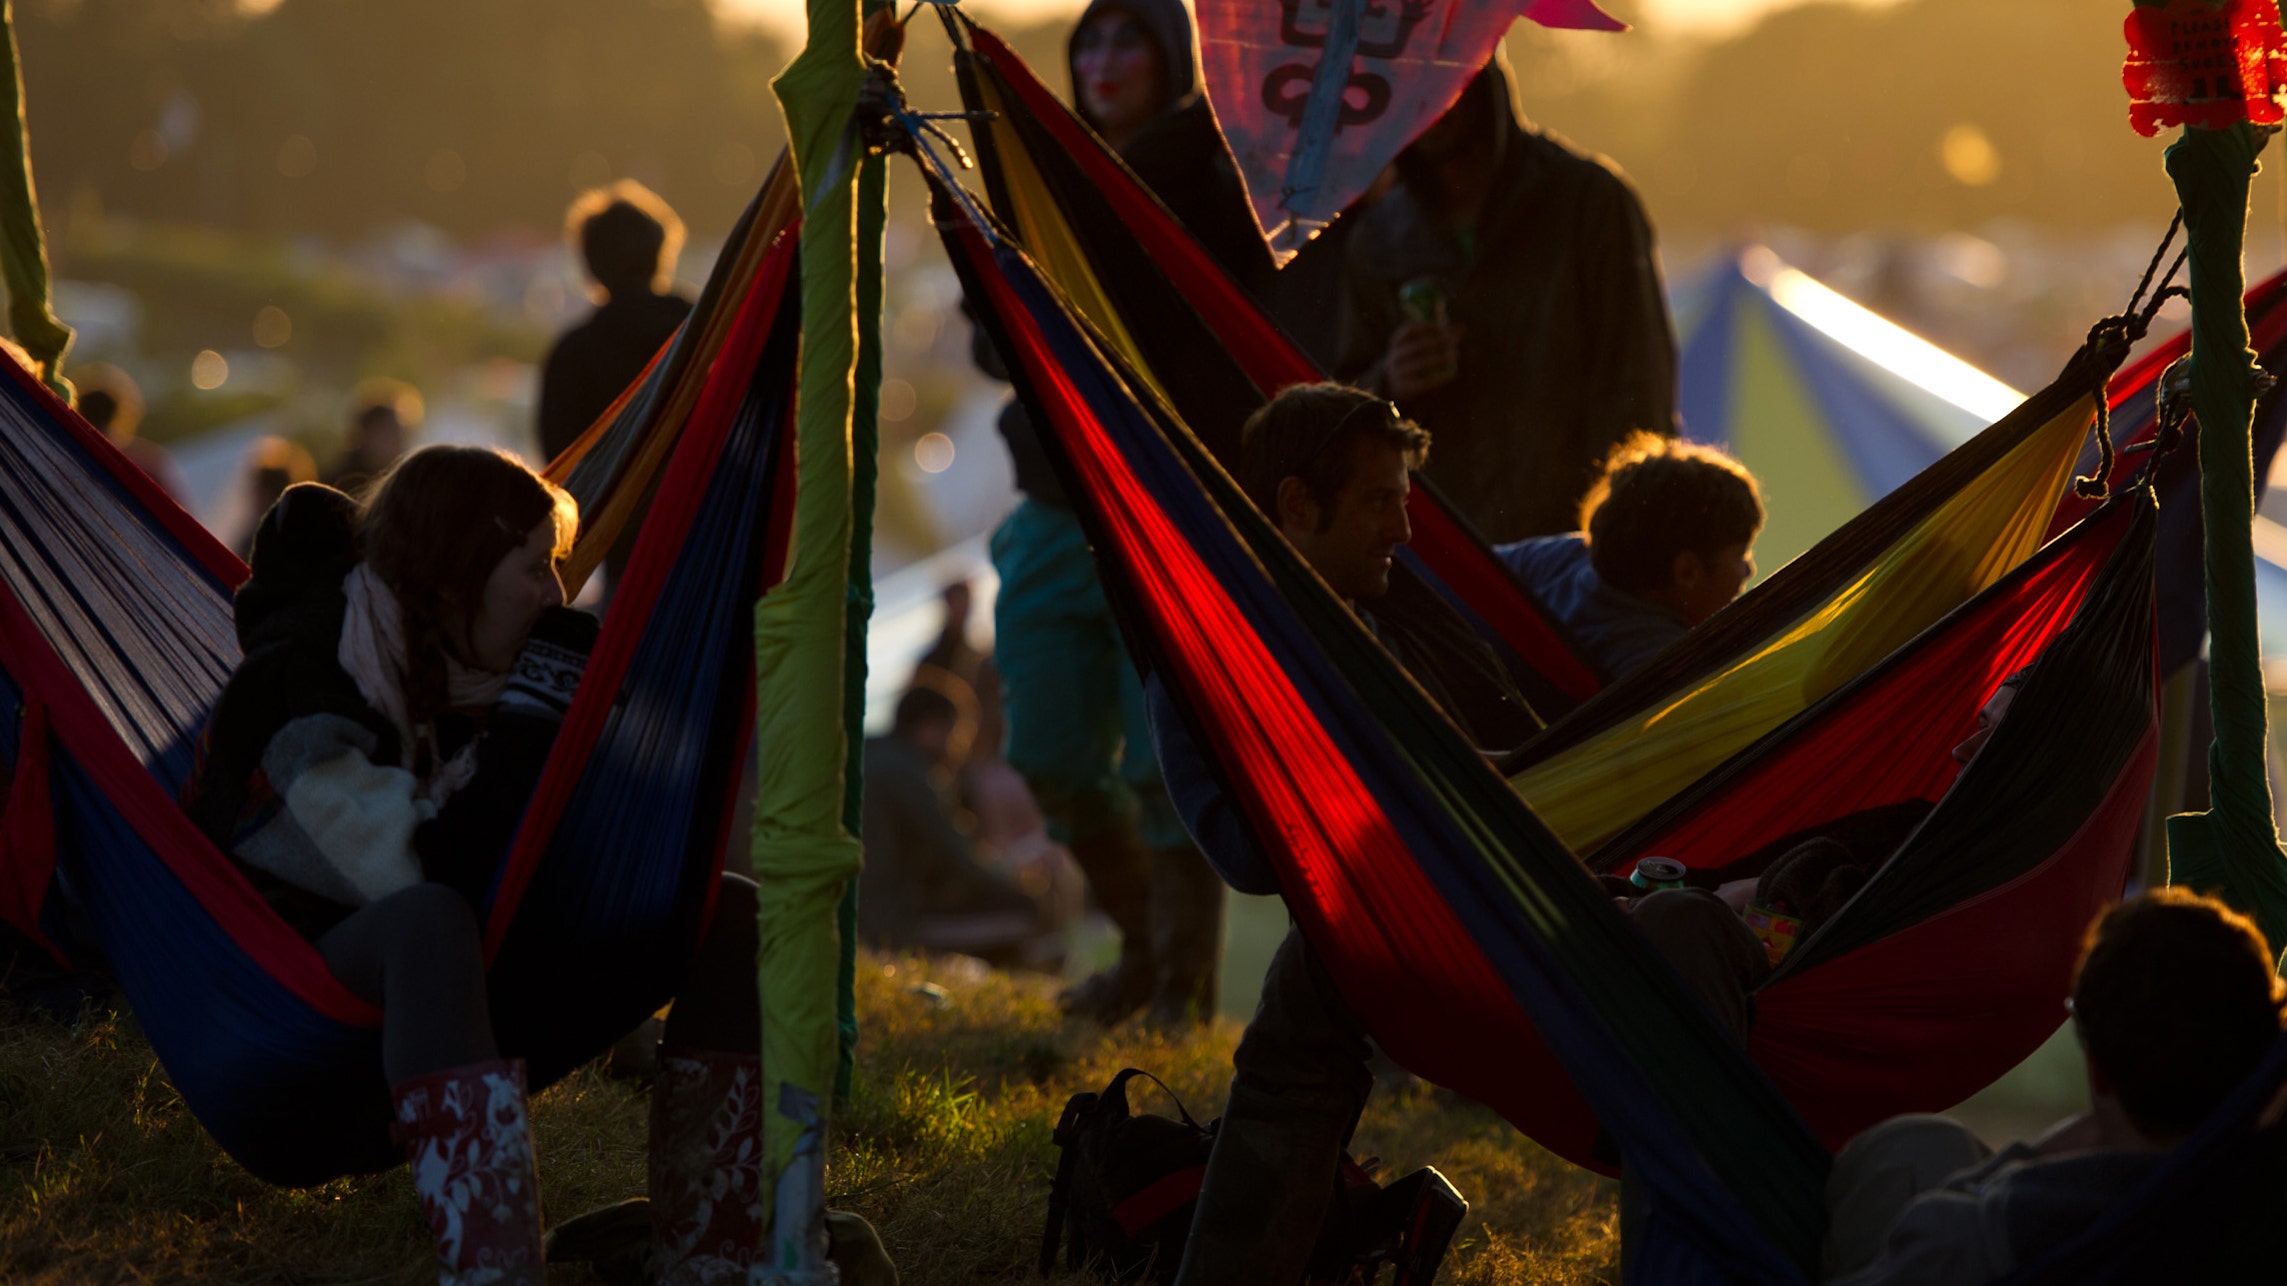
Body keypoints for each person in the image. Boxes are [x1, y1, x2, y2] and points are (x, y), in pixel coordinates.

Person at [179, 447, 764, 1283]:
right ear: (456, 576)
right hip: (287, 1021)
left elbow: (580, 860)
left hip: (464, 979)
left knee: (727, 908)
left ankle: (714, 1253)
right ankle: (497, 1269)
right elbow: (432, 879)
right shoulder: (299, 690)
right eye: (535, 568)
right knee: (427, 922)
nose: (556, 596)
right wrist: (532, 722)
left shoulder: (474, 683)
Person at [1151, 384, 1534, 1286]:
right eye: (1379, 502)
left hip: (1504, 913)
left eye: (1405, 502)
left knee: (1306, 1010)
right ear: (1295, 505)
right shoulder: (1223, 645)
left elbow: (1435, 767)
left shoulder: (1364, 631)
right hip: (1426, 923)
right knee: (1315, 989)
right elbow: (1249, 854)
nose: (1403, 531)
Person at [968, 0, 1263, 1030]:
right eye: (1087, 40)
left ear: (1172, 60)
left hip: (1171, 500)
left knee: (1167, 764)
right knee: (1046, 742)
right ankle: (1141, 951)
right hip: (1054, 498)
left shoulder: (1219, 182)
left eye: (1126, 38)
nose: (1101, 60)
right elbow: (985, 337)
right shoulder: (1035, 173)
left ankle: (1176, 987)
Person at [1823, 888, 2285, 1284]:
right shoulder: (2255, 1191)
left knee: (1892, 1156)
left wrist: (2030, 1158)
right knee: (1921, 1144)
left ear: (2100, 1073)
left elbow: (1931, 1245)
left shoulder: (1982, 1236)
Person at [1336, 55, 1676, 544]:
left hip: (1580, 553)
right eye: (1407, 79)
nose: (1428, 97)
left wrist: (1623, 543)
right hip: (1445, 563)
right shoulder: (1377, 240)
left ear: (1481, 75)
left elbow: (1639, 390)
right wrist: (1389, 381)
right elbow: (1343, 413)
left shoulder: (1590, 204)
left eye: (1442, 70)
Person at [1497, 432, 1763, 679]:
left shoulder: (1565, 555)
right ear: (1687, 572)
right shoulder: (1658, 660)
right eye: (1742, 555)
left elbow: (1470, 574)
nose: (1749, 570)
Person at [859, 685, 1058, 970]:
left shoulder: (874, 760)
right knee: (1026, 909)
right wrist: (1020, 883)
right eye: (956, 734)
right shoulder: (908, 775)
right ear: (929, 728)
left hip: (864, 917)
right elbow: (959, 859)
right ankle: (1025, 996)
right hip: (891, 925)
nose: (960, 748)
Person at [77, 363, 191, 505]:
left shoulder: (74, 458)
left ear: (79, 411)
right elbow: (180, 513)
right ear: (122, 412)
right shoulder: (147, 464)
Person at [320, 378, 421, 496]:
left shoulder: (406, 483)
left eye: (400, 432)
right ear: (366, 432)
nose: (396, 440)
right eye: (387, 432)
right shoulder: (340, 482)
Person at [231, 435, 318, 562]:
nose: (250, 494)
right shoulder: (314, 528)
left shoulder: (256, 541)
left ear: (265, 492)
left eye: (255, 486)